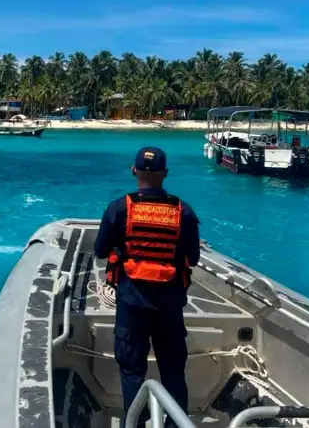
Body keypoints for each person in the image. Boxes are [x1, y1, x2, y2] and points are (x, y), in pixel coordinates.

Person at [94, 146, 200, 427]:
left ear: (134, 171)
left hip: (132, 303)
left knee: (132, 371)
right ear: (165, 173)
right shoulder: (183, 212)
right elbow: (195, 258)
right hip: (170, 306)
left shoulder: (119, 208)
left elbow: (100, 251)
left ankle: (135, 423)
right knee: (174, 371)